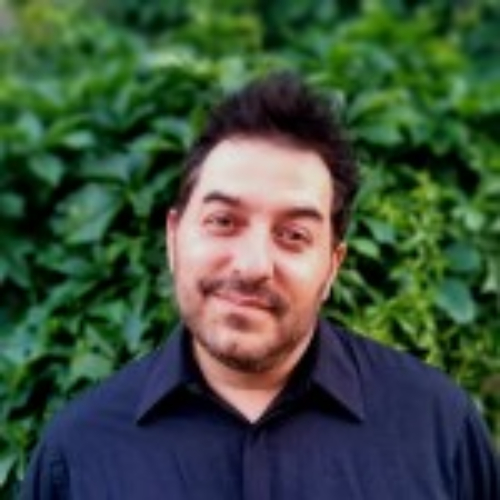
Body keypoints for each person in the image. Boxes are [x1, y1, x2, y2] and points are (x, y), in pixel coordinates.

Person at [21, 73, 499, 499]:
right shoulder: (77, 454)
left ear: (332, 267)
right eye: (223, 221)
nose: (252, 266)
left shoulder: (438, 428)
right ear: (173, 238)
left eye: (293, 235)